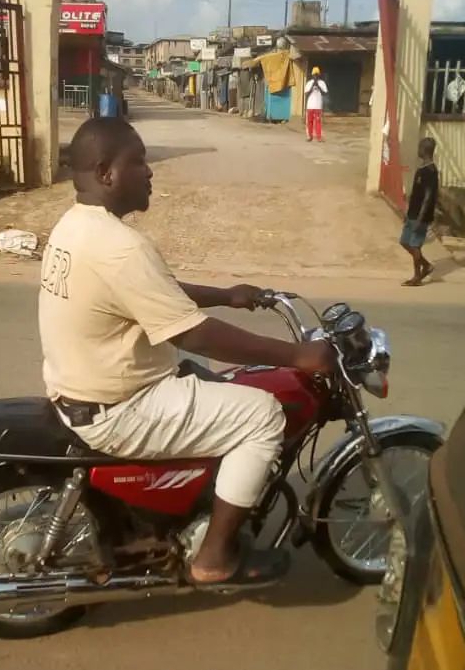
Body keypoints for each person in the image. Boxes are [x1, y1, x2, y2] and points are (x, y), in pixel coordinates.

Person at [38, 117, 334, 588]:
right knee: (262, 414)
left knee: (221, 384)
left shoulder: (76, 226)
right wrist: (298, 355)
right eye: (138, 161)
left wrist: (225, 294)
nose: (150, 172)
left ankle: (189, 509)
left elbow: (153, 292)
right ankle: (213, 558)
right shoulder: (121, 247)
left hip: (84, 389)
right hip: (120, 408)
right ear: (106, 172)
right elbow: (193, 334)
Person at [400, 136, 439, 286]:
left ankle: (417, 276)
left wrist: (420, 218)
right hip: (413, 213)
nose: (418, 150)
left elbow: (428, 197)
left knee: (415, 245)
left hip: (420, 216)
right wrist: (408, 212)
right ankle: (426, 265)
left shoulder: (430, 172)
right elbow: (417, 194)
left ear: (424, 150)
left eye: (419, 148)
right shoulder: (422, 169)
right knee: (404, 241)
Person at [304, 65, 328, 142]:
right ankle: (309, 136)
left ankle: (319, 137)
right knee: (309, 122)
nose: (315, 76)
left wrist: (318, 86)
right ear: (312, 75)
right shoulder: (309, 83)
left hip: (318, 106)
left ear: (319, 75)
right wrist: (312, 87)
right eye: (314, 75)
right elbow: (306, 94)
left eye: (317, 75)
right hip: (310, 106)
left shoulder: (322, 83)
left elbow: (325, 93)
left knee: (318, 122)